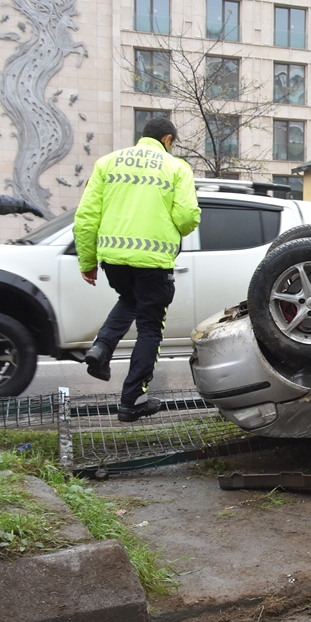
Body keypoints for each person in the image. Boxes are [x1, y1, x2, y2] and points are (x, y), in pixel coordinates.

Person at [73, 117, 199, 422]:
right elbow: (186, 219)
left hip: (113, 260)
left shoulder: (107, 163)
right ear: (168, 140)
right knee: (150, 328)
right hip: (153, 263)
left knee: (129, 300)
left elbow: (86, 217)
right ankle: (131, 401)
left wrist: (87, 262)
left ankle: (101, 349)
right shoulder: (176, 168)